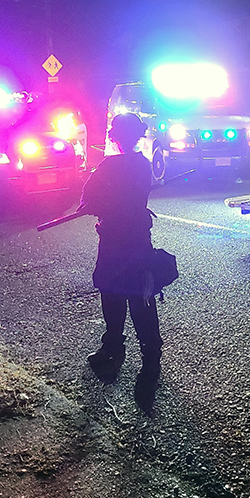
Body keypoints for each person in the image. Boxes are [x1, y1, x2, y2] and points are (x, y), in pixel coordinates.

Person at [78, 112, 162, 412]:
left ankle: (113, 349)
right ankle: (150, 362)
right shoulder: (142, 164)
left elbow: (87, 201)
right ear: (138, 135)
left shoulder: (110, 165)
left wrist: (99, 205)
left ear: (114, 136)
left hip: (114, 242)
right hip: (138, 240)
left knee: (113, 296)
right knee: (142, 299)